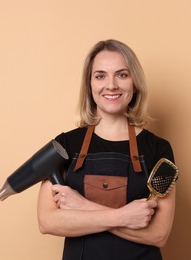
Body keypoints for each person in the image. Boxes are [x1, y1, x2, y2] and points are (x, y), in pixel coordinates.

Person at [37, 39, 176, 260]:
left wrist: (82, 206)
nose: (111, 85)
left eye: (122, 74)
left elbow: (158, 234)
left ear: (135, 82)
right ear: (89, 84)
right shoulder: (64, 145)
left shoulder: (158, 149)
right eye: (100, 75)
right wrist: (124, 216)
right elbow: (47, 221)